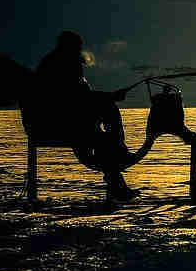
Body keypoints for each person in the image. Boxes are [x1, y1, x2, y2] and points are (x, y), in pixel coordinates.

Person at [37, 31, 137, 201]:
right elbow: (75, 97)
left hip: (66, 118)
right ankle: (118, 161)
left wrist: (107, 97)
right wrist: (110, 96)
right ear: (70, 47)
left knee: (108, 112)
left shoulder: (55, 61)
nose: (80, 50)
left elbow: (79, 97)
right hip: (66, 122)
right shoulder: (64, 64)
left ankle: (117, 160)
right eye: (78, 47)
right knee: (106, 128)